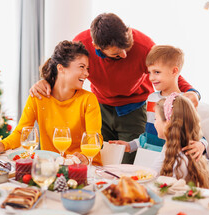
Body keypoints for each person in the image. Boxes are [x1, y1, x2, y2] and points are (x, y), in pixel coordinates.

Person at [29, 13, 200, 164]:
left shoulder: (144, 46)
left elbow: (168, 72)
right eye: (117, 54)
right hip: (100, 108)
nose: (124, 55)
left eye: (127, 48)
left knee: (127, 164)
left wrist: (192, 92)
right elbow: (63, 65)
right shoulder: (82, 43)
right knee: (101, 161)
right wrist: (46, 81)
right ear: (97, 47)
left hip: (133, 110)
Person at [0, 40, 103, 165]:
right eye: (81, 67)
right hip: (51, 168)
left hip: (84, 168)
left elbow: (94, 138)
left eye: (87, 68)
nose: (86, 73)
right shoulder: (38, 97)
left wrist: (84, 156)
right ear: (61, 68)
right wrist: (2, 144)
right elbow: (21, 132)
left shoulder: (88, 99)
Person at [110, 45, 207, 160]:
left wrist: (202, 144)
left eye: (156, 72)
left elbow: (195, 132)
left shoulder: (184, 102)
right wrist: (130, 145)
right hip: (147, 158)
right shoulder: (151, 99)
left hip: (172, 161)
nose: (151, 78)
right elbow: (148, 136)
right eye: (149, 72)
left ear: (174, 71)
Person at [153, 93, 209, 188]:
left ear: (168, 123)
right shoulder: (171, 149)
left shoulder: (179, 161)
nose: (154, 123)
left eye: (155, 118)